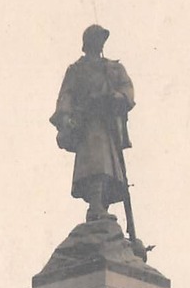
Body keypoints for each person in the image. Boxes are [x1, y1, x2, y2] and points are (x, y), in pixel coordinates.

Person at [50, 25, 135, 221]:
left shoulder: (113, 68)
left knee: (109, 164)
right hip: (87, 123)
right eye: (96, 38)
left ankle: (100, 206)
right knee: (96, 162)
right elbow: (66, 96)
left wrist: (118, 97)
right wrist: (66, 118)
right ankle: (96, 204)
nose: (100, 43)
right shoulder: (76, 70)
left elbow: (126, 89)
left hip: (108, 124)